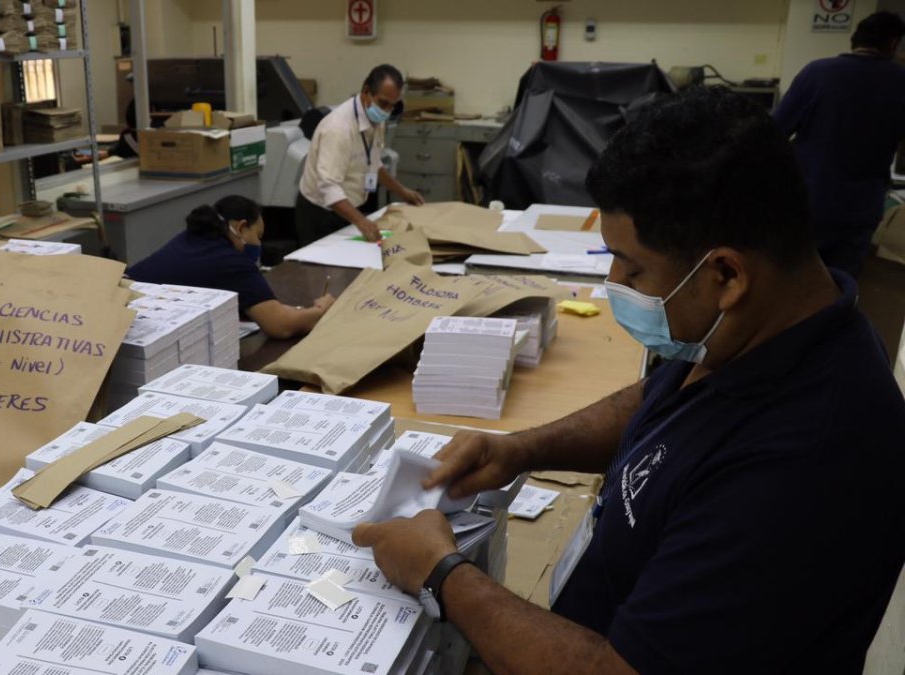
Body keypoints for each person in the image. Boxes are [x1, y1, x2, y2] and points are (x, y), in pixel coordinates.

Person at [352, 87, 905, 673]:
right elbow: (664, 403)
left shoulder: (807, 464)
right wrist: (522, 448)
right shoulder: (765, 324)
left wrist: (440, 574)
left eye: (633, 267)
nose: (615, 281)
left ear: (725, 273)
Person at [773, 10, 905, 277]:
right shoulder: (900, 81)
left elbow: (774, 131)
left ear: (855, 39)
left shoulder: (818, 73)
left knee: (794, 281)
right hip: (862, 207)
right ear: (892, 44)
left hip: (810, 201)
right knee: (842, 283)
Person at [126, 195, 334, 339]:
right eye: (258, 236)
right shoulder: (232, 262)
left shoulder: (194, 238)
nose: (259, 245)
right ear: (241, 227)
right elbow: (280, 325)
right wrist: (321, 310)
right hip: (138, 327)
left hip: (122, 311)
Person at [296, 64, 425, 246]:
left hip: (346, 210)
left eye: (392, 106)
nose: (386, 111)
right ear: (366, 92)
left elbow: (372, 162)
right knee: (325, 272)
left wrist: (401, 191)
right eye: (383, 103)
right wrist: (361, 221)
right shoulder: (339, 129)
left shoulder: (375, 119)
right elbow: (328, 186)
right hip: (320, 215)